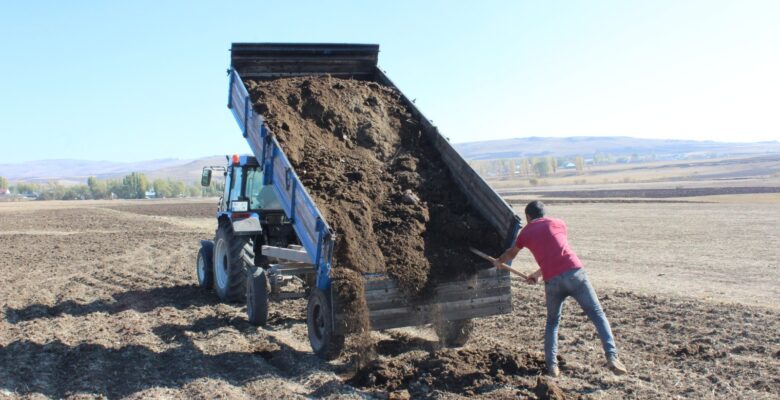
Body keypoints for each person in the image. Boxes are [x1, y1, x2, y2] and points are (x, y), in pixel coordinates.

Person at [493, 200, 628, 377]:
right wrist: (537, 274)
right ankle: (612, 356)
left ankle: (552, 367)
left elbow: (511, 253)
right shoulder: (559, 223)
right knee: (597, 313)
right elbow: (557, 253)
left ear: (528, 217)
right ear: (544, 213)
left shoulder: (525, 233)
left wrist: (498, 262)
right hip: (575, 274)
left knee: (552, 323)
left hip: (553, 281)